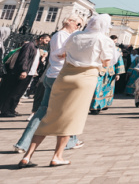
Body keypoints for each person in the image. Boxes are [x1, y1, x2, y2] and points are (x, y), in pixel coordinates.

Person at [18, 13, 117, 168]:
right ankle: (57, 156)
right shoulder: (104, 40)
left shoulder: (76, 35)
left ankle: (27, 155)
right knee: (71, 119)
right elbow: (106, 62)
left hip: (63, 76)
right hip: (84, 79)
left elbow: (60, 54)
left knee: (49, 115)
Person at [13, 16, 84, 154]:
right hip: (58, 76)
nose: (78, 27)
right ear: (69, 21)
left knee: (57, 110)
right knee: (60, 111)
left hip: (56, 75)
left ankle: (71, 140)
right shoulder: (61, 35)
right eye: (78, 23)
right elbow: (58, 54)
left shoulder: (65, 35)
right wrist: (76, 52)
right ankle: (24, 143)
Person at [0, 33, 48, 117]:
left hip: (29, 74)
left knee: (19, 93)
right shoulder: (29, 45)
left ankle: (11, 109)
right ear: (41, 38)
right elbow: (24, 58)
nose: (46, 43)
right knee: (14, 92)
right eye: (46, 40)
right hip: (24, 73)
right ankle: (6, 110)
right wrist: (23, 70)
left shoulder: (36, 48)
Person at [89, 35, 125, 114]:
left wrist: (118, 73)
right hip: (100, 71)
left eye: (115, 42)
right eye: (112, 41)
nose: (113, 43)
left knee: (107, 89)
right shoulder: (102, 47)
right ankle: (94, 107)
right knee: (97, 89)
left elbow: (119, 61)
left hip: (110, 73)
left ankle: (104, 105)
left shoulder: (117, 50)